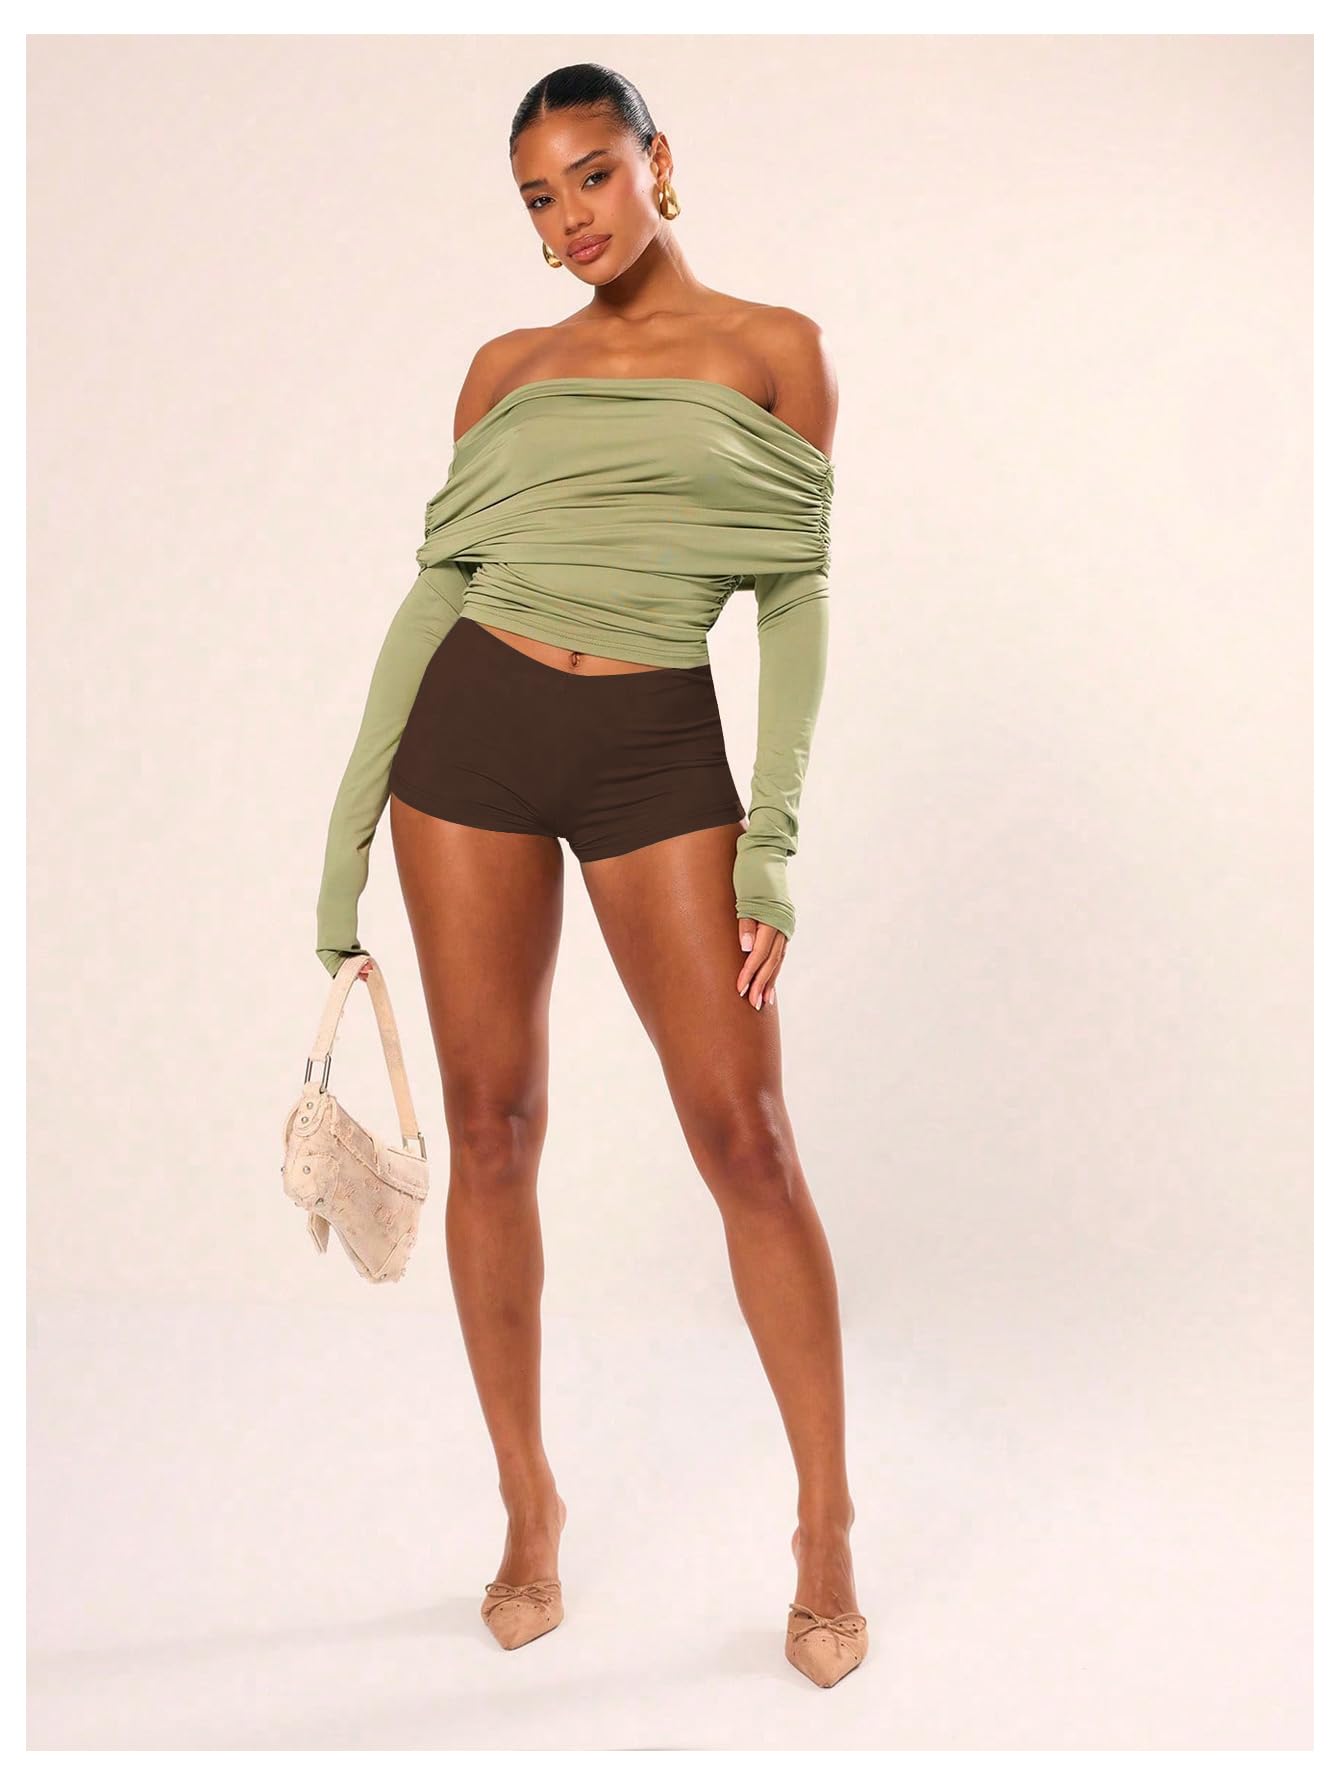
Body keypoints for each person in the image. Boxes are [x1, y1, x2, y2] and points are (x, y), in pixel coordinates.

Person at [314, 62, 866, 1688]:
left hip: (653, 754)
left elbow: (795, 598)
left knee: (747, 1136)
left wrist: (771, 838)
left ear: (656, 162)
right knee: (491, 1127)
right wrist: (344, 831)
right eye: (540, 198)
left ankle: (824, 1524)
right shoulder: (506, 370)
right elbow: (437, 592)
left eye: (593, 176)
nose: (570, 219)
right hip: (470, 743)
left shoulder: (774, 351)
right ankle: (527, 1503)